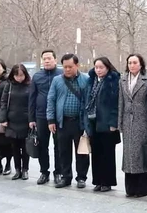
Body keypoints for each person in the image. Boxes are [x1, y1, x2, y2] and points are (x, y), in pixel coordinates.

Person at [46, 53, 91, 189]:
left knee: (81, 151)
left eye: (70, 67)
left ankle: (81, 177)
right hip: (63, 122)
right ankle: (66, 177)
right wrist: (51, 120)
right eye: (65, 67)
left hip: (79, 122)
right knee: (63, 151)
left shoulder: (86, 79)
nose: (67, 69)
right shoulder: (57, 80)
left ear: (76, 65)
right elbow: (51, 100)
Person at [119, 54, 147, 197]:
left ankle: (141, 189)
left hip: (143, 121)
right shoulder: (122, 80)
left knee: (142, 154)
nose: (132, 65)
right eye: (129, 63)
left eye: (135, 62)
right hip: (127, 121)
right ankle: (130, 188)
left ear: (141, 64)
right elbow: (120, 102)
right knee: (128, 155)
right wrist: (120, 122)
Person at [87, 57, 120, 192]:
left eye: (101, 67)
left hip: (107, 123)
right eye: (96, 67)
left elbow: (115, 103)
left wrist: (113, 122)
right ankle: (98, 181)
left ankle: (107, 182)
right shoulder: (92, 80)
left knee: (107, 154)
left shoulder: (113, 81)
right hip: (93, 121)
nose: (98, 70)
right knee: (96, 153)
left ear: (107, 67)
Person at [30, 50, 63, 186]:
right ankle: (44, 172)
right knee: (42, 145)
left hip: (59, 116)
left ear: (55, 60)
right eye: (44, 59)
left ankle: (59, 172)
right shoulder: (37, 76)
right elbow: (31, 98)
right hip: (41, 116)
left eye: (49, 58)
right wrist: (31, 119)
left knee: (59, 146)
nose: (47, 61)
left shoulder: (62, 75)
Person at [0, 64, 31, 180]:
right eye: (16, 76)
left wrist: (32, 120)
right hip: (12, 120)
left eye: (21, 75)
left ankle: (25, 170)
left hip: (25, 120)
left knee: (25, 147)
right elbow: (3, 102)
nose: (19, 78)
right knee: (15, 147)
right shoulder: (9, 85)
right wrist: (3, 119)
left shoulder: (30, 85)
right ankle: (17, 169)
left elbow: (32, 103)